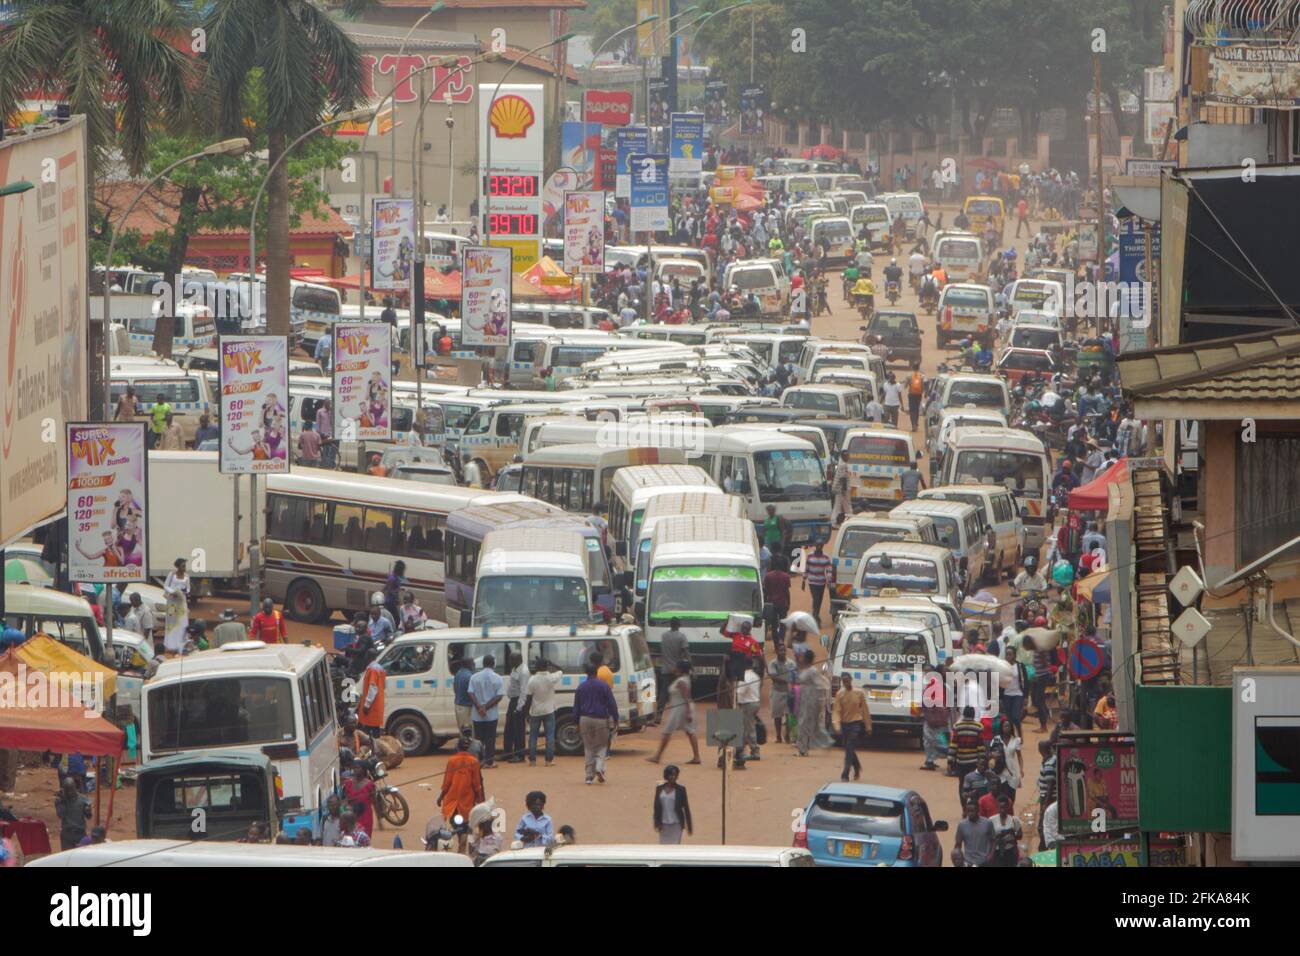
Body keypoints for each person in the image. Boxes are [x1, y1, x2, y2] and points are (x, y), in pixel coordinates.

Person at [574, 656, 619, 783]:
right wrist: (615, 718)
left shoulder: (581, 687)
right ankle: (599, 767)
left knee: (588, 747)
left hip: (584, 719)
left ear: (586, 673)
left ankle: (589, 776)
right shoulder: (604, 686)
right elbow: (611, 704)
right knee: (602, 745)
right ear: (596, 672)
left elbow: (576, 706)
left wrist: (576, 722)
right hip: (600, 719)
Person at [649, 660, 702, 765]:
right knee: (690, 732)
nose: (674, 668)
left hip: (681, 709)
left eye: (676, 667)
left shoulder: (682, 681)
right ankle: (696, 757)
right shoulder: (684, 679)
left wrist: (688, 712)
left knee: (667, 731)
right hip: (681, 708)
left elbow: (686, 697)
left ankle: (657, 756)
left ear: (680, 669)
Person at [438, 736, 484, 851]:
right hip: (467, 800)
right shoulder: (474, 761)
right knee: (465, 824)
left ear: (457, 747)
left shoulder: (452, 761)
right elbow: (477, 784)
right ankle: (462, 842)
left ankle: (459, 841)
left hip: (452, 800)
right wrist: (481, 801)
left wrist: (441, 796)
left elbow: (447, 782)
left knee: (454, 823)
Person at [831, 673, 870, 782]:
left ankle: (845, 772)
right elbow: (836, 712)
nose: (846, 682)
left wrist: (868, 726)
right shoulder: (840, 694)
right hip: (844, 724)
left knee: (849, 746)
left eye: (847, 680)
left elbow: (865, 711)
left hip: (855, 723)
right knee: (847, 747)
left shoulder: (859, 693)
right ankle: (857, 766)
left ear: (851, 680)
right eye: (844, 681)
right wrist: (837, 725)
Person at [467, 654, 504, 768]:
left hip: (477, 715)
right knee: (490, 738)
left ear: (483, 664)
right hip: (491, 714)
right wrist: (486, 708)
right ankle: (490, 762)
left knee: (478, 739)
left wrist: (479, 707)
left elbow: (470, 693)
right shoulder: (498, 678)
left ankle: (479, 762)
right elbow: (499, 696)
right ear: (493, 664)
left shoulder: (474, 677)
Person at [524, 658, 563, 765]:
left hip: (536, 711)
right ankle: (548, 760)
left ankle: (532, 760)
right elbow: (561, 670)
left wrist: (526, 713)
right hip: (549, 711)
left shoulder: (532, 680)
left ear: (537, 667)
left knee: (533, 736)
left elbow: (528, 699)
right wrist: (552, 663)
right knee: (549, 735)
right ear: (546, 666)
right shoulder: (551, 677)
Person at [796, 650, 831, 756]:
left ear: (806, 659)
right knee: (804, 724)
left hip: (810, 700)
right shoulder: (806, 670)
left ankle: (804, 748)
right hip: (804, 699)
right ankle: (803, 747)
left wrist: (818, 700)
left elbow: (820, 684)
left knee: (804, 724)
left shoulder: (812, 670)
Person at [949, 706, 987, 800]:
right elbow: (980, 746)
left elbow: (953, 745)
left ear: (964, 714)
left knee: (962, 784)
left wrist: (950, 761)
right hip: (974, 762)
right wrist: (982, 759)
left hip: (961, 762)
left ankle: (964, 807)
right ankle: (973, 804)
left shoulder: (957, 726)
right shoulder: (978, 727)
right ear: (973, 715)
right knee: (974, 784)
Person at [656, 618, 690, 723]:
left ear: (670, 625)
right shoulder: (681, 636)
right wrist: (691, 667)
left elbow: (663, 651)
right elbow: (686, 653)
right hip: (678, 671)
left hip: (666, 669)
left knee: (663, 694)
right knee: (681, 694)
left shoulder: (664, 636)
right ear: (679, 625)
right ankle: (682, 716)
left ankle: (658, 715)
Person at [653, 765, 694, 845]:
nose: (673, 777)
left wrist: (689, 826)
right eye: (671, 775)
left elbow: (686, 808)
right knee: (663, 847)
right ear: (666, 776)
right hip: (663, 824)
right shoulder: (659, 789)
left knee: (674, 847)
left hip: (676, 824)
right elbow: (656, 807)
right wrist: (657, 823)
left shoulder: (681, 790)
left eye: (675, 775)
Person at [921, 664, 949, 770]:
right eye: (925, 672)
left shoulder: (934, 683)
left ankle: (944, 753)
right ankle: (931, 760)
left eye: (927, 671)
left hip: (933, 716)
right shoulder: (935, 682)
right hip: (935, 715)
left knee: (929, 738)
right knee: (932, 738)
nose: (925, 674)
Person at [953, 798, 996, 867]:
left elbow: (993, 840)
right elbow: (958, 844)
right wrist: (957, 859)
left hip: (984, 861)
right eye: (968, 811)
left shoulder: (987, 823)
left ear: (978, 810)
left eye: (972, 811)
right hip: (968, 862)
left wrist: (990, 856)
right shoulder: (962, 825)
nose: (970, 813)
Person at [768, 644, 797, 745]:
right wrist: (787, 680)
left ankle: (787, 735)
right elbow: (773, 677)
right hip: (777, 691)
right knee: (777, 715)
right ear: (776, 652)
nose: (782, 652)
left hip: (788, 692)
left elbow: (795, 676)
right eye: (780, 650)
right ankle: (778, 736)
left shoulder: (791, 663)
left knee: (789, 714)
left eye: (784, 650)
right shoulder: (772, 663)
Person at [503, 651, 529, 763]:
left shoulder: (523, 672)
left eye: (512, 659)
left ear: (518, 660)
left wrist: (519, 708)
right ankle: (508, 753)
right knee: (508, 729)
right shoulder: (515, 669)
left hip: (518, 702)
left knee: (518, 730)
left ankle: (520, 755)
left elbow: (524, 691)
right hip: (513, 700)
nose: (510, 661)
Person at [162, 557, 191, 655]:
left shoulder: (186, 576)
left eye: (185, 565)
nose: (184, 567)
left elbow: (188, 589)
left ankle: (181, 643)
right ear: (178, 566)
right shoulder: (172, 574)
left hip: (182, 602)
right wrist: (173, 591)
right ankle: (171, 645)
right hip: (172, 601)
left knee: (182, 622)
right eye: (183, 565)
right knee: (172, 622)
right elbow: (165, 585)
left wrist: (184, 592)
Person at [53, 777, 91, 850]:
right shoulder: (60, 800)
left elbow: (89, 817)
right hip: (67, 835)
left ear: (75, 788)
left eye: (71, 790)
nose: (69, 793)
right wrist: (63, 802)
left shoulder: (83, 799)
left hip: (80, 834)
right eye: (67, 790)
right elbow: (61, 815)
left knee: (80, 857)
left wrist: (88, 811)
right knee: (67, 858)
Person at [763, 555, 792, 647]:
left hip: (772, 604)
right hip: (783, 603)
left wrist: (765, 603)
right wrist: (788, 603)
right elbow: (787, 591)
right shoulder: (786, 576)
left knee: (774, 625)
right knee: (783, 623)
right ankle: (781, 640)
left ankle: (776, 643)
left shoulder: (768, 576)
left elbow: (765, 591)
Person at [736, 660, 762, 763]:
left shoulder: (745, 676)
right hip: (754, 702)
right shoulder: (755, 675)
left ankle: (755, 751)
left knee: (749, 728)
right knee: (746, 727)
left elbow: (741, 691)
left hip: (748, 704)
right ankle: (741, 749)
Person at [341, 763, 375, 839]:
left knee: (364, 837)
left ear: (363, 770)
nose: (355, 770)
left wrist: (379, 820)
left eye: (358, 768)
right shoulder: (348, 783)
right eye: (354, 768)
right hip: (351, 815)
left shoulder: (370, 785)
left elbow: (374, 801)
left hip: (365, 816)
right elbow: (346, 799)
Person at [802, 540, 832, 624]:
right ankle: (815, 616)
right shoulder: (809, 556)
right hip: (812, 582)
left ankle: (815, 614)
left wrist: (829, 581)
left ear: (822, 546)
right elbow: (806, 568)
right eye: (817, 545)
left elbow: (829, 570)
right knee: (816, 598)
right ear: (815, 545)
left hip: (822, 582)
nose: (819, 547)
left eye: (820, 545)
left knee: (819, 600)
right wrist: (804, 580)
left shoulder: (826, 557)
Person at [453, 657, 475, 735]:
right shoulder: (469, 676)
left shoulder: (458, 673)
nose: (474, 664)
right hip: (466, 707)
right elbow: (471, 693)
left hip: (458, 706)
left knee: (463, 733)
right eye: (472, 663)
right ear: (468, 664)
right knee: (469, 734)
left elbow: (455, 689)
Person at [831, 454, 852, 525]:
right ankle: (850, 520)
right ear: (844, 457)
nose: (848, 457)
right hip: (841, 489)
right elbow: (842, 478)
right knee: (846, 506)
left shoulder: (841, 464)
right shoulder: (844, 465)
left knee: (839, 506)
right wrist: (844, 490)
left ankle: (833, 521)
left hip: (839, 489)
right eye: (847, 456)